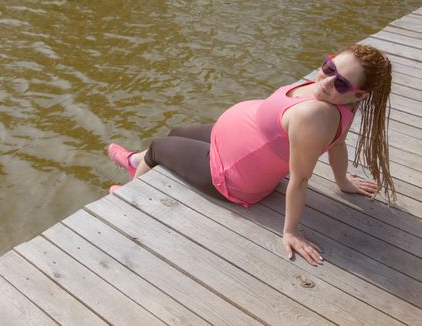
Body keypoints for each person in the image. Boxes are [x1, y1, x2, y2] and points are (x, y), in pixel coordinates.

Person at [107, 44, 396, 266]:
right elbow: (338, 144)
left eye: (342, 84)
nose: (327, 81)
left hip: (228, 173)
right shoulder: (337, 101)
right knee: (176, 132)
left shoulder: (316, 116)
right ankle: (136, 161)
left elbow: (300, 178)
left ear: (360, 95)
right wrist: (343, 180)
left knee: (159, 146)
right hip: (234, 143)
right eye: (329, 66)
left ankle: (129, 192)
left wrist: (291, 231)